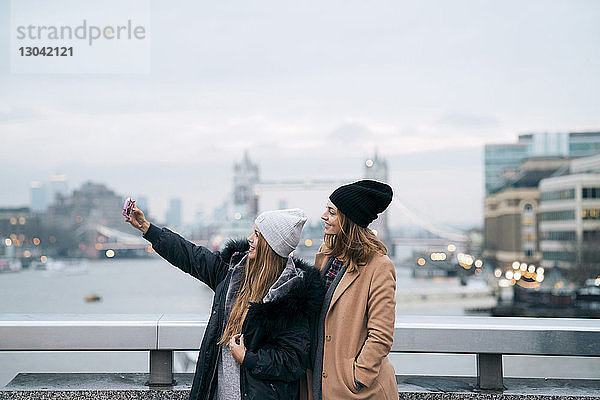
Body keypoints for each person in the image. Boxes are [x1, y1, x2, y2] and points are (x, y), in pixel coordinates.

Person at [126, 206, 324, 400]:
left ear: (270, 244)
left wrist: (248, 358)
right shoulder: (231, 272)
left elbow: (293, 361)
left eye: (257, 234)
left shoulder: (292, 296)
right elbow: (191, 256)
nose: (250, 239)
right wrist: (146, 228)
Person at [309, 180, 397, 400]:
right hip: (318, 383)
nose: (323, 216)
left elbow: (381, 334)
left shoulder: (379, 266)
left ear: (348, 219)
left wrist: (358, 376)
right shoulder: (326, 255)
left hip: (354, 391)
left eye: (331, 212)